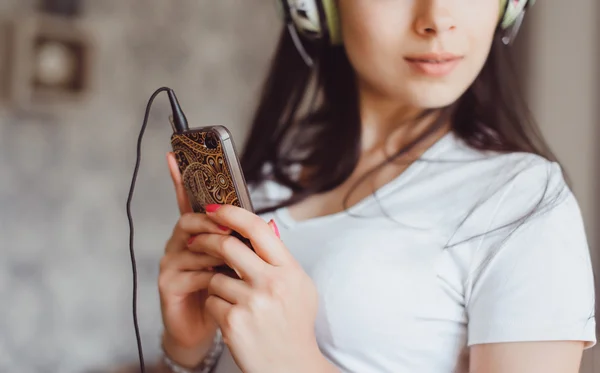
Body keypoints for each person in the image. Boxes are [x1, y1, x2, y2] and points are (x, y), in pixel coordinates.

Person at [157, 0, 597, 372]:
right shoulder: (273, 172)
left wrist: (298, 363)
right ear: (318, 8)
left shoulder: (523, 199)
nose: (437, 19)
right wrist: (190, 350)